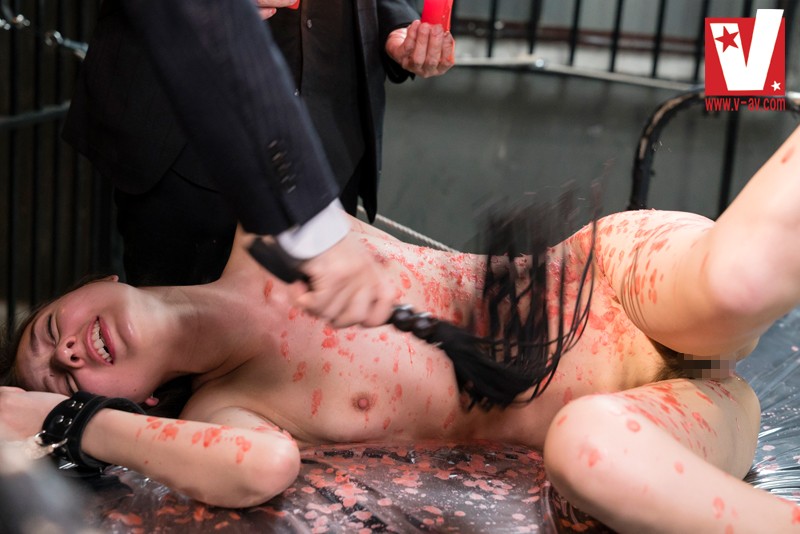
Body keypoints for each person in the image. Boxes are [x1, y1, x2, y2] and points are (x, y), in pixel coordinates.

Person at [5, 124, 800, 533]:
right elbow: (258, 471)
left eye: (48, 332)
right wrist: (64, 420)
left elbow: (252, 94)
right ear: (136, 403)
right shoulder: (231, 412)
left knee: (733, 280)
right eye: (67, 376)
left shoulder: (265, 219)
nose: (69, 351)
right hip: (652, 418)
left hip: (614, 279)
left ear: (99, 282)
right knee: (587, 450)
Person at [62, 0, 455, 287]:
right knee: (170, 347)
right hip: (179, 143)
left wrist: (395, 21)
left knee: (303, 352)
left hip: (331, 141)